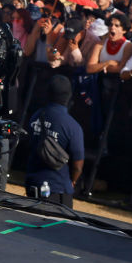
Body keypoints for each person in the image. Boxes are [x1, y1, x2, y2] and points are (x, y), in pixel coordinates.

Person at [25, 75, 84, 208]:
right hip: (58, 190)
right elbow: (78, 166)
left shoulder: (36, 115)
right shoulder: (72, 126)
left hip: (33, 184)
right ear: (69, 95)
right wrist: (73, 181)